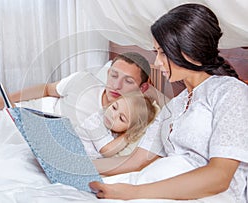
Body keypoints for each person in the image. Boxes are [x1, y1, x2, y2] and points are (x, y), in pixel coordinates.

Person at [89, 3, 248, 202]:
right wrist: (78, 165)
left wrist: (133, 192)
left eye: (162, 53)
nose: (156, 62)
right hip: (156, 190)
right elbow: (136, 161)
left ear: (190, 49)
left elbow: (220, 177)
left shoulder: (230, 92)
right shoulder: (174, 106)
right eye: (156, 52)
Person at [0, 52, 156, 127]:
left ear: (143, 88)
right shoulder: (83, 80)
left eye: (128, 81)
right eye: (114, 76)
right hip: (29, 120)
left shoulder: (129, 118)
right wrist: (7, 99)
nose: (116, 86)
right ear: (108, 72)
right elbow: (47, 89)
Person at [75, 92, 156, 159]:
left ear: (130, 128)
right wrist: (128, 135)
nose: (112, 115)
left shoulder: (114, 132)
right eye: (114, 107)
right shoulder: (97, 121)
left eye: (121, 118)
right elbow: (106, 151)